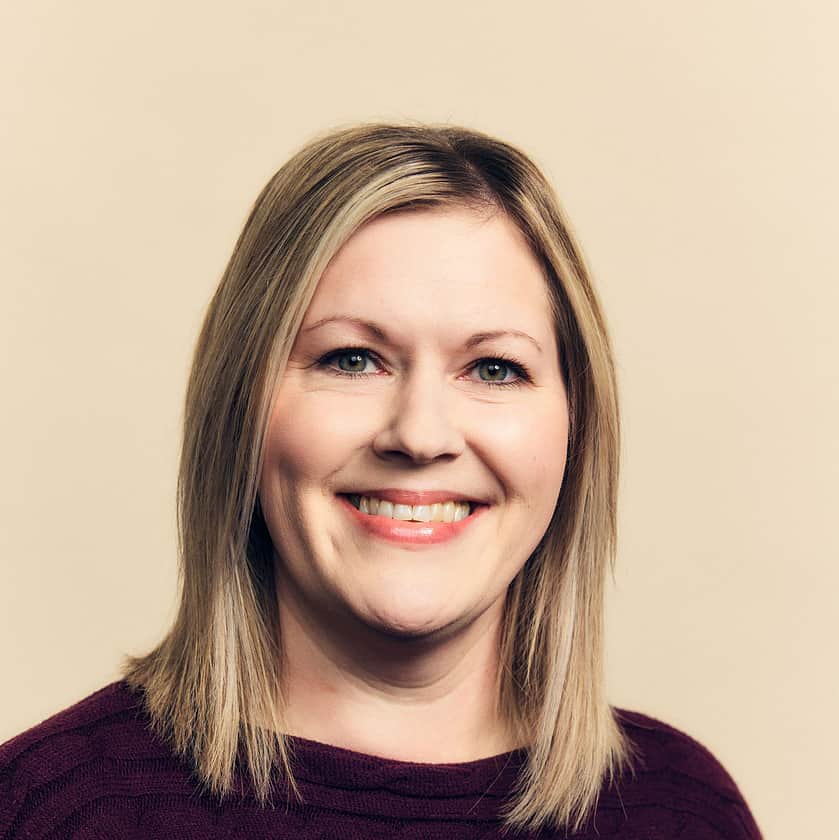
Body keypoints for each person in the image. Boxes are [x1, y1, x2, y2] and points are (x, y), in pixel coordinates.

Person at [0, 122, 763, 838]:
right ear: (240, 408)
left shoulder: (681, 811)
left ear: (574, 429)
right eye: (351, 359)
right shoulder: (50, 811)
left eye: (493, 368)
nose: (419, 434)